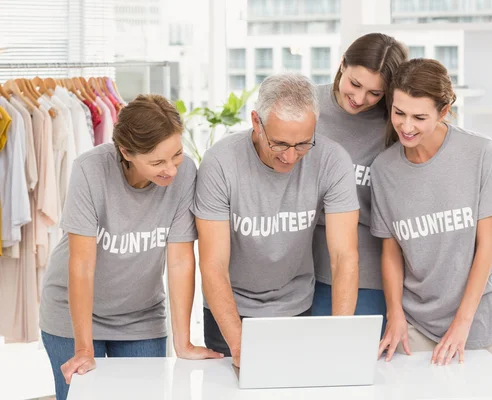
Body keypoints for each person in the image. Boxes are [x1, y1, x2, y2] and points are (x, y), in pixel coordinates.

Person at [39, 94, 222, 400]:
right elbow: (82, 265)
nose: (171, 169)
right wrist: (83, 348)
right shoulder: (90, 170)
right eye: (157, 162)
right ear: (126, 151)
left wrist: (184, 343)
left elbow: (179, 261)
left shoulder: (185, 172)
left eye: (176, 154)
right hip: (73, 318)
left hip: (142, 317)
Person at [193, 73, 360, 367]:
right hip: (230, 309)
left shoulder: (333, 160)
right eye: (280, 144)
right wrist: (239, 344)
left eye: (303, 144)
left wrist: (341, 335)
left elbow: (344, 256)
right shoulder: (220, 163)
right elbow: (212, 264)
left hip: (295, 306)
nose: (291, 157)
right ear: (256, 122)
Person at [370, 58, 492, 365]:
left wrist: (462, 324)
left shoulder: (480, 153)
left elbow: (486, 246)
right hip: (415, 323)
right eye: (399, 113)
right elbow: (391, 250)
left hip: (475, 319)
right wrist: (394, 315)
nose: (406, 126)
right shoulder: (384, 169)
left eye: (419, 117)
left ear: (444, 112)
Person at [311, 33, 408, 331]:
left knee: (360, 368)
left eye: (375, 93)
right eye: (354, 83)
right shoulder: (306, 106)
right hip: (303, 270)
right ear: (342, 64)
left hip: (368, 274)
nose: (360, 98)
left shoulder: (397, 124)